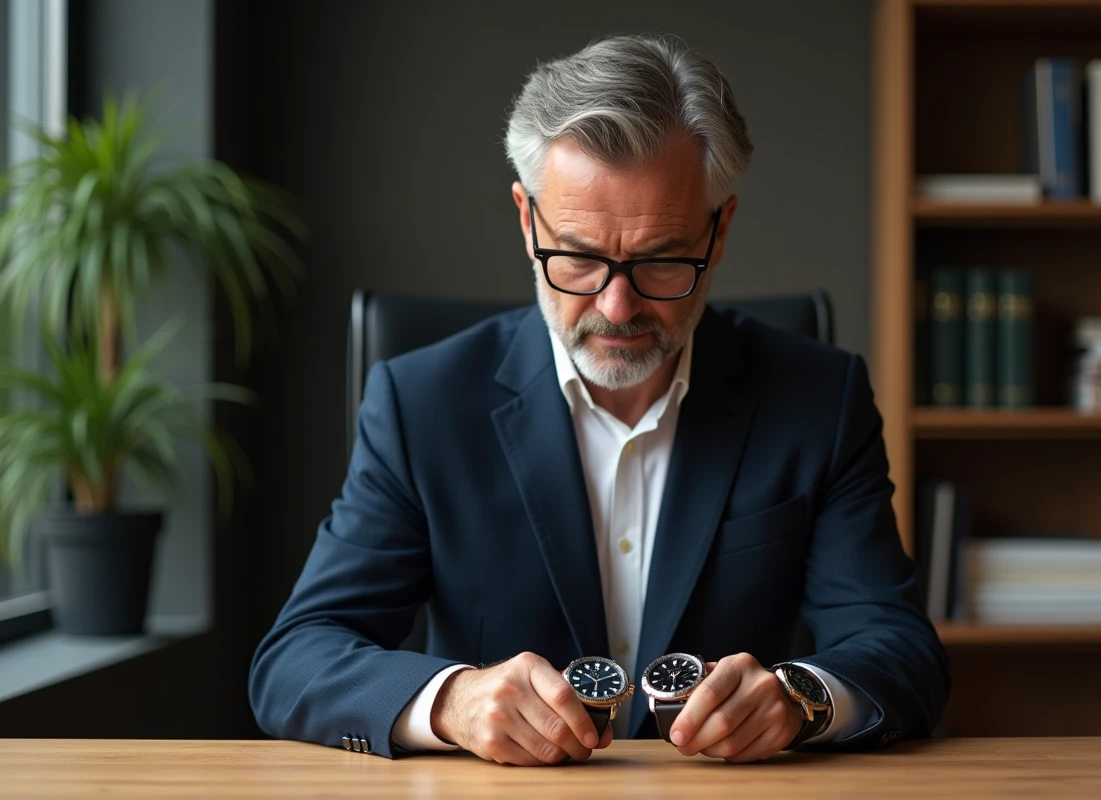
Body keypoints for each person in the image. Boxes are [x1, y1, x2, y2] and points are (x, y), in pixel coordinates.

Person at [249, 33, 949, 766]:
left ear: (720, 232)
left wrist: (802, 699)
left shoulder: (819, 399)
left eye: (661, 261)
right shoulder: (419, 405)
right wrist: (452, 701)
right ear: (528, 222)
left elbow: (900, 649)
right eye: (579, 258)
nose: (617, 308)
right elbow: (296, 656)